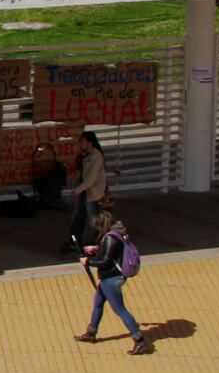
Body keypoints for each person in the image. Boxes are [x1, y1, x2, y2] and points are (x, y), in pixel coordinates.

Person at [75, 215, 152, 354]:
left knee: (120, 310)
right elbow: (113, 251)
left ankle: (140, 340)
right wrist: (97, 248)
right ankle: (91, 332)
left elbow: (105, 261)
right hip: (113, 277)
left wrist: (87, 261)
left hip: (111, 278)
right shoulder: (118, 232)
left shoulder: (109, 238)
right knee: (98, 302)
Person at [67, 132, 108, 252]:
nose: (80, 144)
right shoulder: (86, 155)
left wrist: (78, 189)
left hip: (92, 193)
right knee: (77, 217)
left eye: (82, 141)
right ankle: (74, 242)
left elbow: (92, 178)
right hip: (85, 191)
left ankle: (102, 244)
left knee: (93, 221)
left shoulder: (96, 156)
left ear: (90, 143)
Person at [30, 142, 68, 207]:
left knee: (45, 181)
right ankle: (47, 199)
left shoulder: (57, 172)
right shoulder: (54, 171)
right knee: (40, 180)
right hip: (48, 180)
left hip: (51, 182)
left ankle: (49, 199)